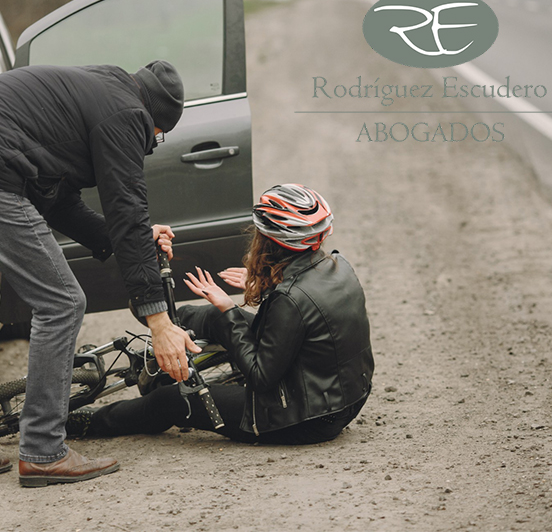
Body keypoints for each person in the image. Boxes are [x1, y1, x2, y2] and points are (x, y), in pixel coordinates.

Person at [0, 60, 200, 486]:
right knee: (61, 303)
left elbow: (60, 201)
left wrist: (127, 238)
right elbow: (128, 209)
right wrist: (159, 321)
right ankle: (44, 450)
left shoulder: (95, 92)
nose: (151, 143)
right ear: (154, 120)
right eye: (157, 136)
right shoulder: (127, 114)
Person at [67, 184, 374, 445]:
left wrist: (229, 308)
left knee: (170, 400)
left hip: (304, 418)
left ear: (271, 241)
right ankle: (166, 325)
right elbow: (305, 318)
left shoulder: (289, 299)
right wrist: (265, 285)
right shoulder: (338, 266)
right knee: (216, 318)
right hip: (343, 397)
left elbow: (260, 376)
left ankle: (87, 423)